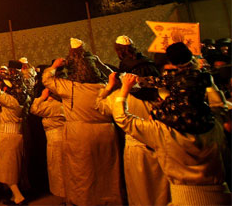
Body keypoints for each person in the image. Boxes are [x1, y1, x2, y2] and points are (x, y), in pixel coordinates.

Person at [115, 71, 231, 205]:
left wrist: (125, 89)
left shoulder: (163, 131)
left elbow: (122, 118)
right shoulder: (214, 123)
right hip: (221, 196)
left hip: (186, 199)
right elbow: (219, 106)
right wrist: (210, 85)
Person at [42, 38, 123, 206]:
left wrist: (53, 67)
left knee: (82, 176)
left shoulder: (69, 87)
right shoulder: (104, 87)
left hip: (80, 136)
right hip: (106, 134)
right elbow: (115, 77)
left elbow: (47, 80)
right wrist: (99, 63)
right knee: (107, 174)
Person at [95, 35, 169, 206]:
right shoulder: (164, 97)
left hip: (137, 150)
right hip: (162, 145)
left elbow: (100, 106)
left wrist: (109, 87)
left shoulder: (121, 98)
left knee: (142, 192)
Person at [0, 63, 29, 205]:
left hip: (8, 137)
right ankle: (14, 196)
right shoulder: (20, 99)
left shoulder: (12, 101)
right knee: (12, 168)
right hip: (12, 135)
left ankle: (18, 197)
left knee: (7, 169)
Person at [29, 87, 66, 201]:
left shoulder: (52, 105)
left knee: (57, 167)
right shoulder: (61, 104)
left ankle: (63, 195)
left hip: (55, 138)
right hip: (62, 136)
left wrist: (41, 97)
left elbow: (34, 109)